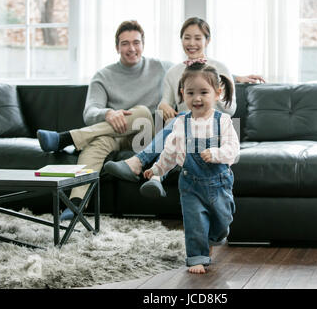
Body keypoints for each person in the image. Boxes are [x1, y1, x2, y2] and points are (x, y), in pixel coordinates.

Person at [104, 17, 263, 198]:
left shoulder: (220, 69)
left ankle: (138, 163)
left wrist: (212, 97)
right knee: (180, 126)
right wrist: (163, 105)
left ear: (207, 41)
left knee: (185, 119)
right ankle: (155, 179)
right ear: (181, 40)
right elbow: (165, 102)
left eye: (197, 38)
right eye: (187, 38)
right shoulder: (173, 73)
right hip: (184, 132)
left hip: (215, 131)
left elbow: (230, 110)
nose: (192, 43)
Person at [36, 20, 172, 220]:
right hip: (117, 133)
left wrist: (229, 77)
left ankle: (66, 138)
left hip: (147, 137)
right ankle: (76, 205)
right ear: (117, 47)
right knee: (96, 143)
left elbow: (194, 72)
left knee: (142, 112)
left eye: (136, 42)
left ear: (143, 44)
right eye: (125, 43)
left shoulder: (162, 68)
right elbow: (90, 111)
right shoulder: (103, 75)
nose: (131, 48)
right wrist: (108, 113)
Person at [143, 61, 240, 274]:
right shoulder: (180, 123)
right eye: (191, 92)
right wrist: (158, 169)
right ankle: (196, 257)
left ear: (217, 93)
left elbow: (233, 149)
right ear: (182, 94)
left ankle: (215, 237)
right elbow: (170, 151)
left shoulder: (223, 121)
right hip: (190, 186)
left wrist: (215, 154)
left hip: (219, 184)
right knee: (194, 222)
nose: (197, 98)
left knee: (222, 222)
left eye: (204, 92)